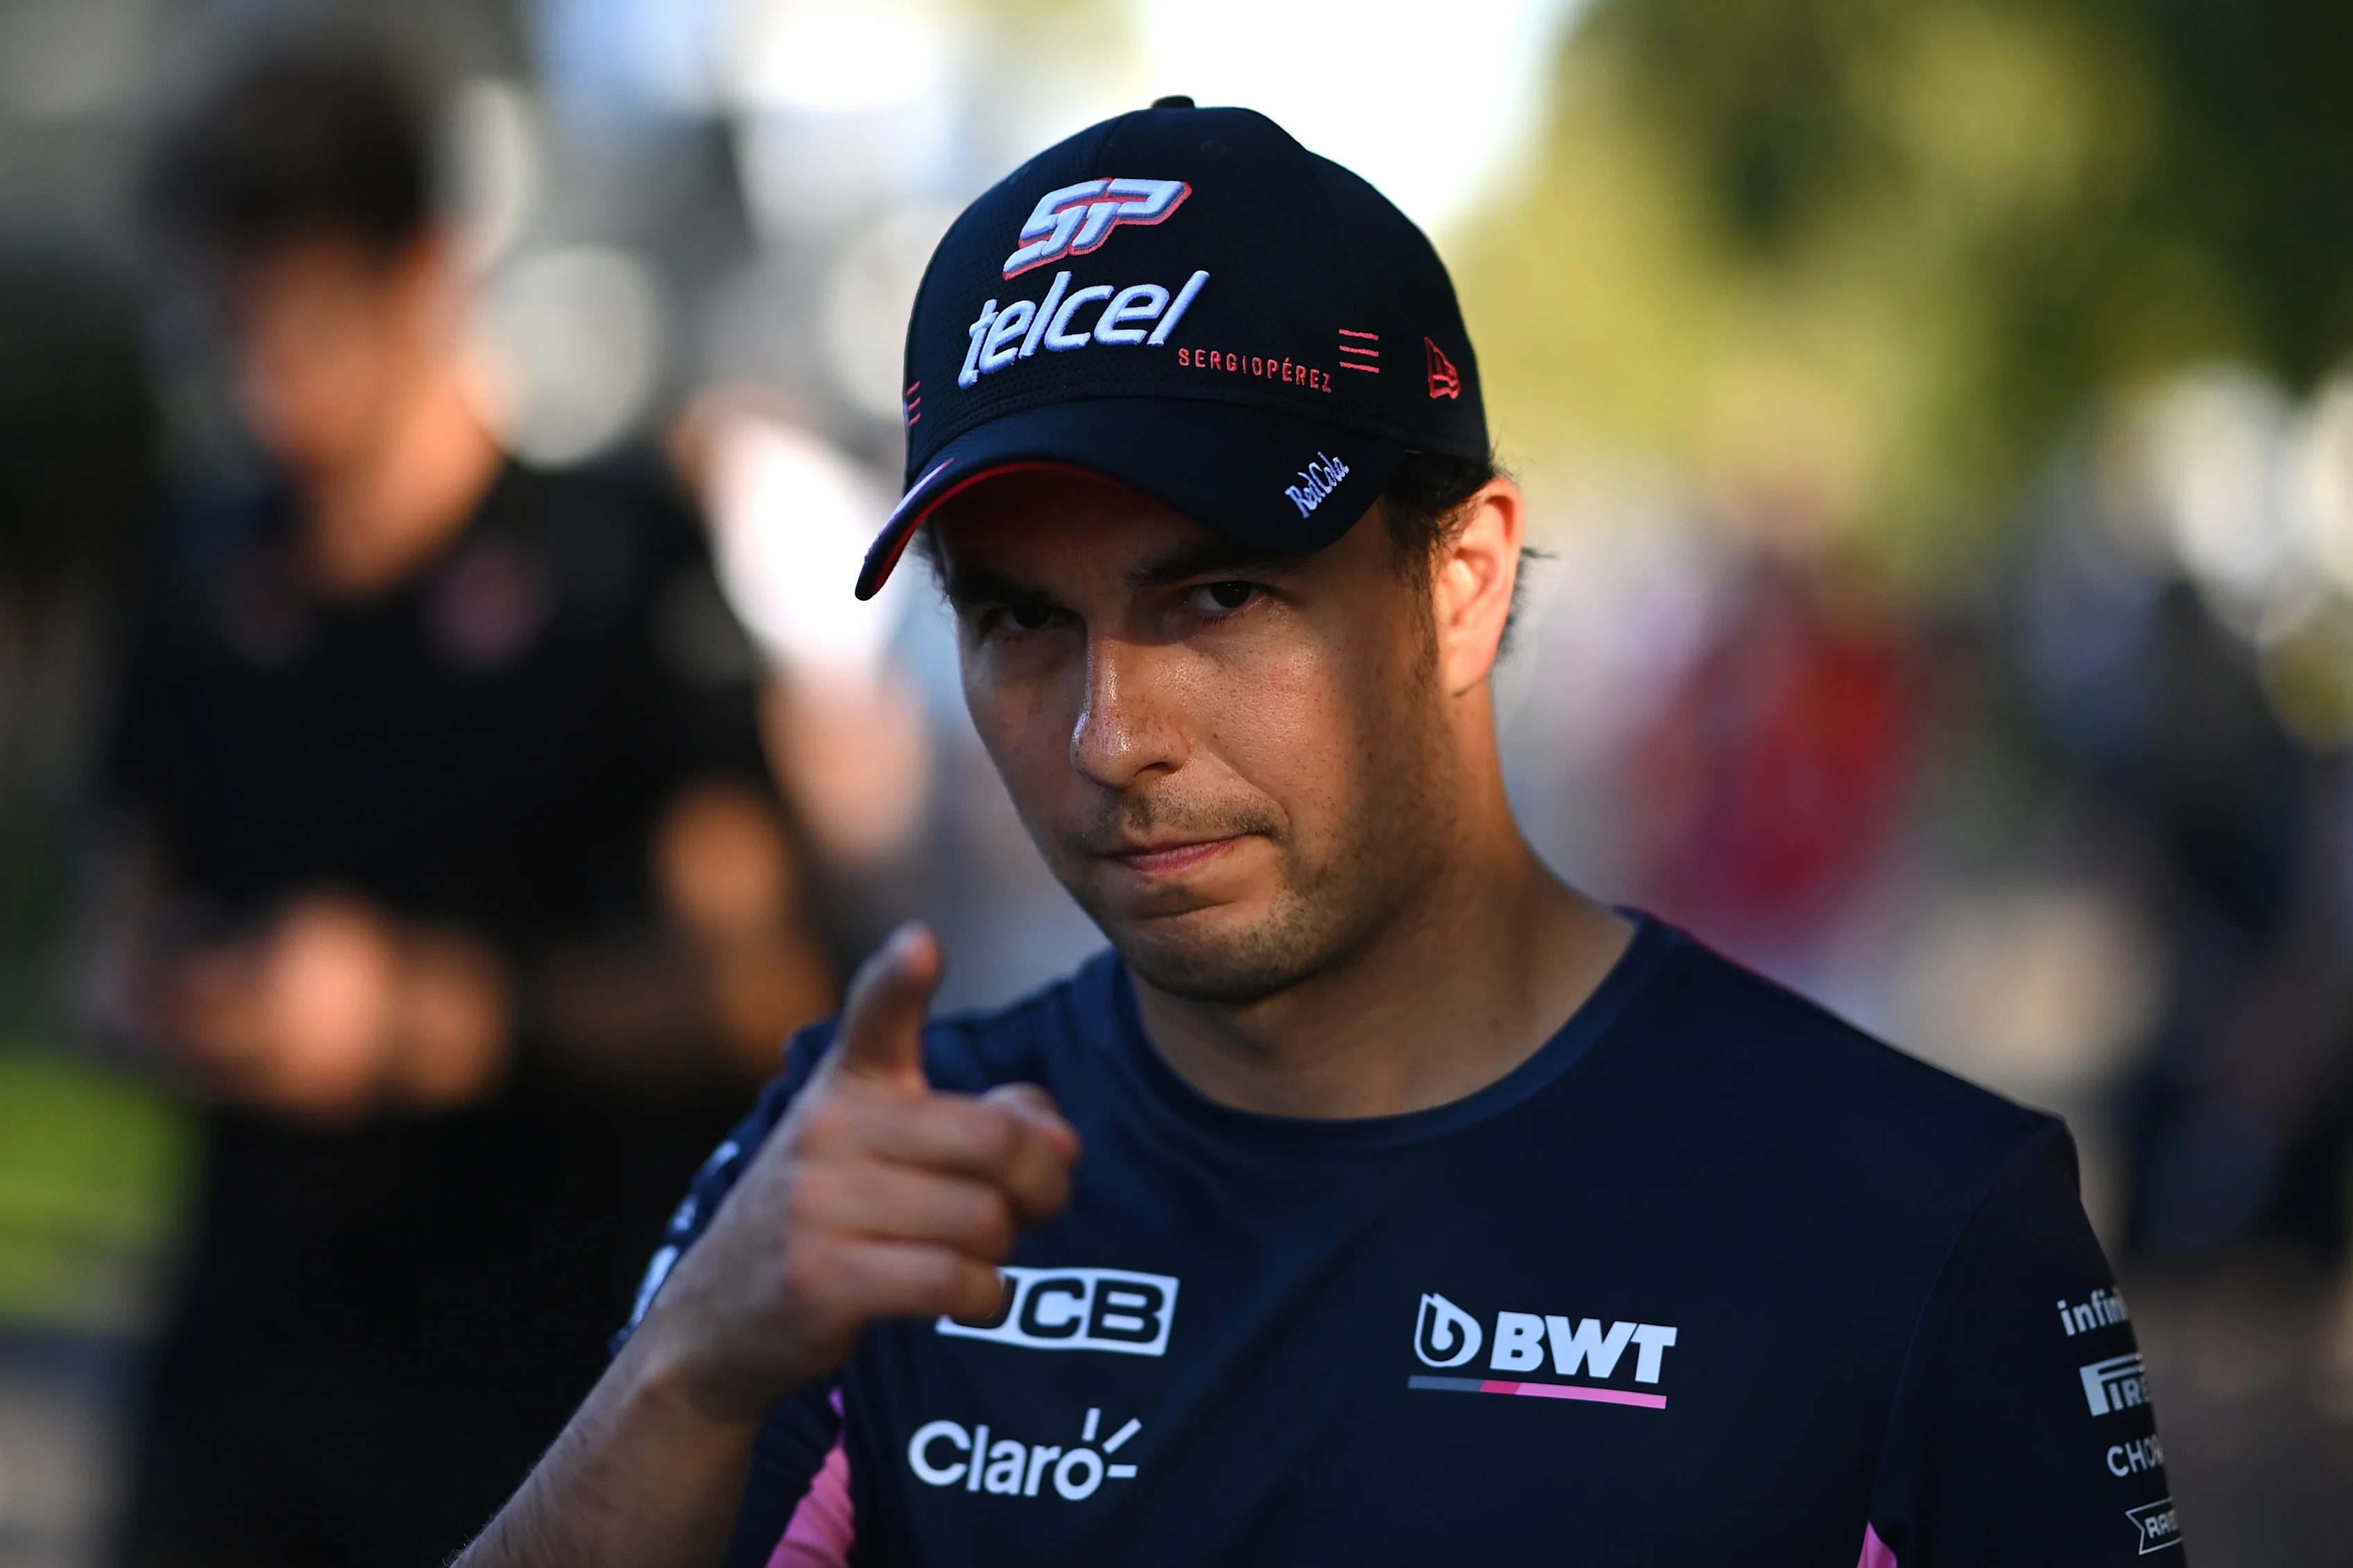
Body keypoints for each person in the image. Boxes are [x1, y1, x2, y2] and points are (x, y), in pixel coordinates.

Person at [459, 101, 2182, 1567]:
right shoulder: (875, 1176)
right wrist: (688, 1367)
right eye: (1017, 621)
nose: (1108, 736)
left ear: (1462, 581)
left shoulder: (1911, 1219)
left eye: (1215, 595)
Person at [93, 45, 835, 1568]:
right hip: (240, 1393)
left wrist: (443, 1010)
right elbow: (104, 941)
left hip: (537, 1394)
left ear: (424, 271)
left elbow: (761, 985)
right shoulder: (196, 570)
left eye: (296, 326)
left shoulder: (614, 567)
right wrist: (186, 995)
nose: (258, 386)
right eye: (216, 330)